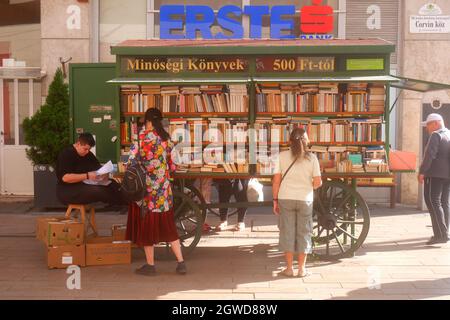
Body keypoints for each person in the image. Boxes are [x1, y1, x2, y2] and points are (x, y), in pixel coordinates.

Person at [126, 108, 187, 276]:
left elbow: (130, 163)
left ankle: (150, 265)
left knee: (147, 226)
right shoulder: (167, 139)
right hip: (163, 192)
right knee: (169, 226)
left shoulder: (141, 139)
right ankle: (181, 262)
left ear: (148, 121)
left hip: (146, 192)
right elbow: (173, 164)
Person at [272, 128, 322, 277]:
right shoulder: (312, 158)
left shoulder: (281, 156)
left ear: (290, 141)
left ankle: (289, 269)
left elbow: (276, 181)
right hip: (305, 199)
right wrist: (308, 187)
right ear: (306, 142)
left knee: (287, 231)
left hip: (285, 198)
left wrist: (275, 200)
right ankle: (301, 269)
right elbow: (318, 182)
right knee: (304, 232)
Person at [56, 132, 126, 206]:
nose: (87, 152)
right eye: (85, 149)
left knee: (113, 184)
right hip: (68, 190)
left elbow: (98, 168)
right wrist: (87, 176)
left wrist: (104, 174)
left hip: (86, 184)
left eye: (89, 149)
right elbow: (65, 178)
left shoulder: (88, 154)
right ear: (78, 144)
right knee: (99, 191)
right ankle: (120, 204)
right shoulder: (66, 154)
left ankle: (127, 203)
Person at [418, 113, 450, 245]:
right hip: (447, 175)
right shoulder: (448, 134)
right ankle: (444, 232)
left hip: (435, 174)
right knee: (444, 203)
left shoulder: (436, 135)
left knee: (433, 201)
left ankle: (441, 234)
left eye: (428, 125)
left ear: (436, 123)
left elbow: (429, 155)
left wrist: (422, 171)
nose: (427, 128)